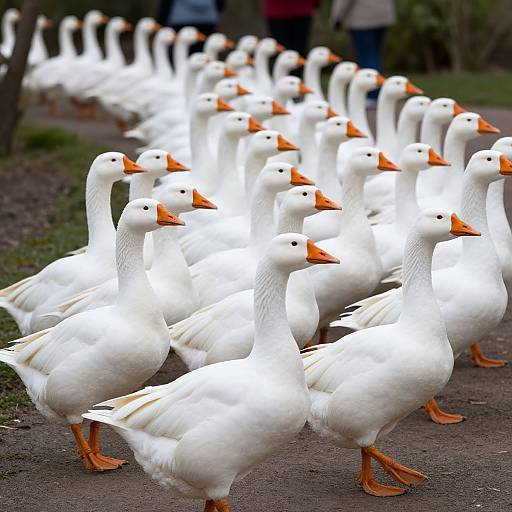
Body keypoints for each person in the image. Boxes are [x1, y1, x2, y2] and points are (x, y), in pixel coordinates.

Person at [331, 0, 395, 103]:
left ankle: (374, 94)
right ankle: (381, 92)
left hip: (361, 19)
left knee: (368, 57)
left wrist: (337, 17)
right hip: (383, 16)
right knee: (374, 54)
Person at [157, 0, 224, 51]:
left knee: (179, 51)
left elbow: (166, 3)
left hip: (180, 20)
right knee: (202, 52)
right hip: (207, 21)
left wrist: (160, 22)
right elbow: (220, 3)